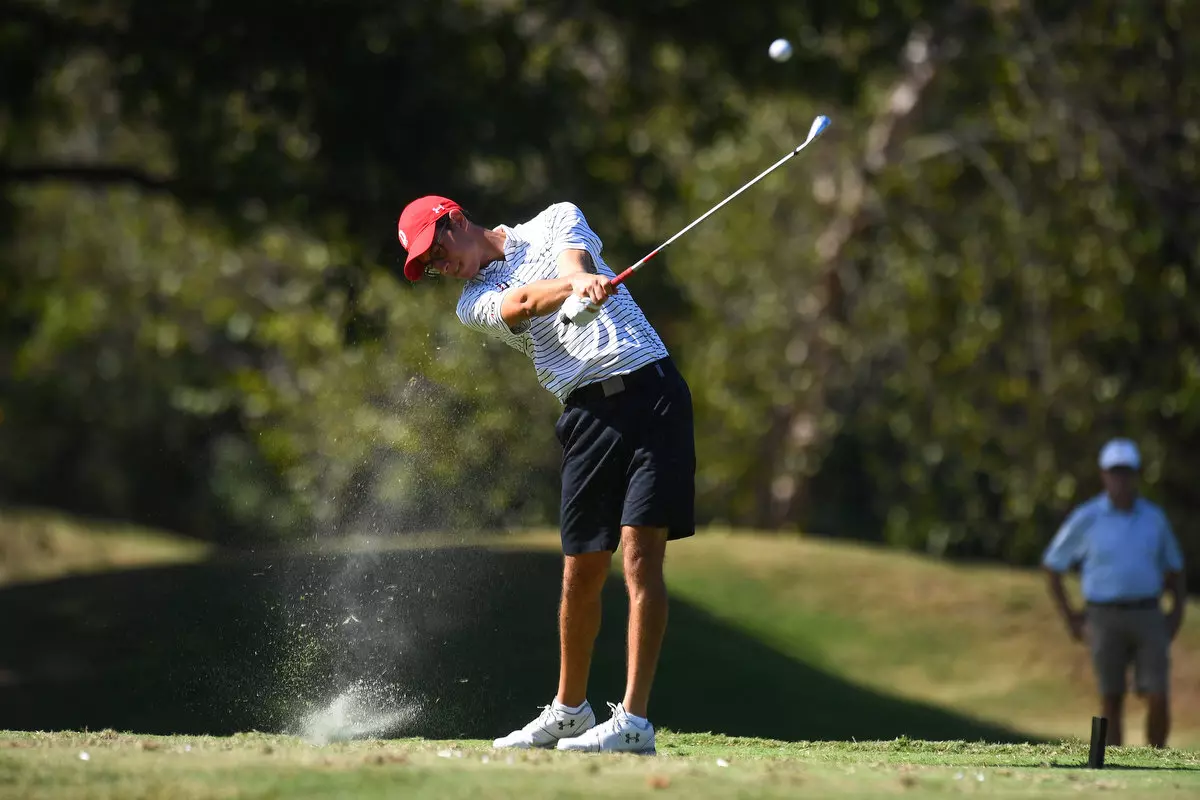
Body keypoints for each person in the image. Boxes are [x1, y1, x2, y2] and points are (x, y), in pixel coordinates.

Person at [396, 195, 695, 755]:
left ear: (455, 219)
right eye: (429, 265)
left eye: (436, 250)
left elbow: (573, 259)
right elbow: (525, 302)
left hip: (652, 394)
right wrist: (575, 289)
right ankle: (570, 712)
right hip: (586, 413)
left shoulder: (556, 218)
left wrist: (581, 278)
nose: (441, 266)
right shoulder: (472, 302)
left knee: (640, 559)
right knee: (581, 569)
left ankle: (634, 721)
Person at [1042, 437, 1187, 747]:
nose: (1120, 479)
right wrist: (1071, 617)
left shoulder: (1153, 518)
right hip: (1103, 616)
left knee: (1157, 693)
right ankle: (1114, 765)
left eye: (1126, 472)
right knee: (1111, 697)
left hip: (1148, 613)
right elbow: (1053, 565)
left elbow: (1175, 569)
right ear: (1103, 475)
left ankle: (1158, 759)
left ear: (1135, 475)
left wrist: (1176, 612)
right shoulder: (1087, 517)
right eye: (1114, 472)